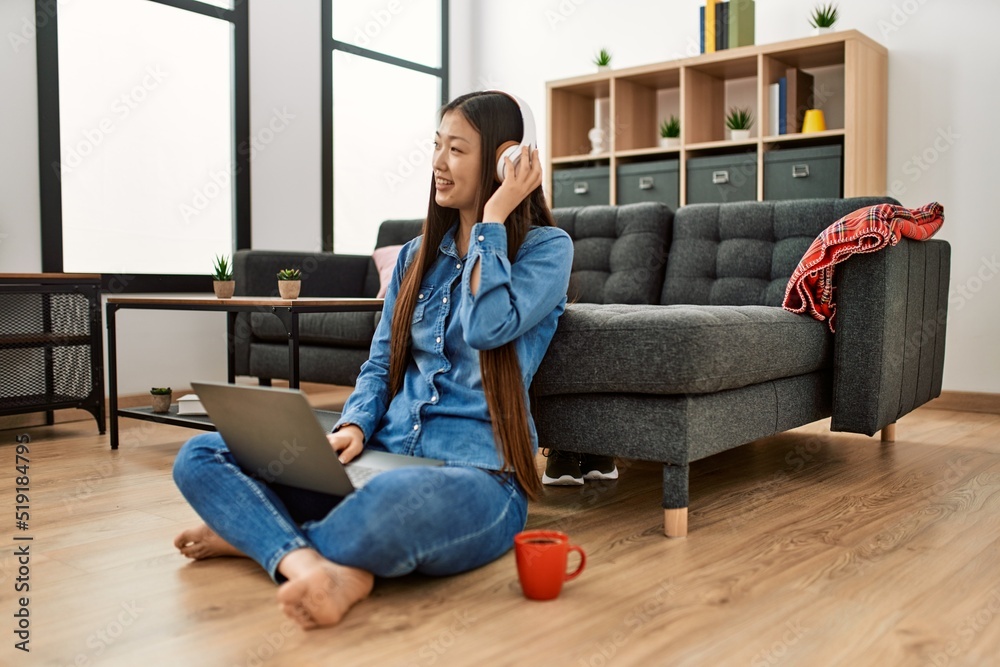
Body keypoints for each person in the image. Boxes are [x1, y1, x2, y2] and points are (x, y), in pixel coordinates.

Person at [171, 90, 574, 630]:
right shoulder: (414, 256)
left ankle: (260, 540)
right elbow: (381, 363)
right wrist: (356, 423)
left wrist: (494, 217)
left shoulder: (548, 250)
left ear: (501, 160)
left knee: (388, 503)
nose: (437, 163)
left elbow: (486, 326)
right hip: (379, 457)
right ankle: (311, 561)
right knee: (200, 454)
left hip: (479, 476)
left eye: (456, 150)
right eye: (436, 146)